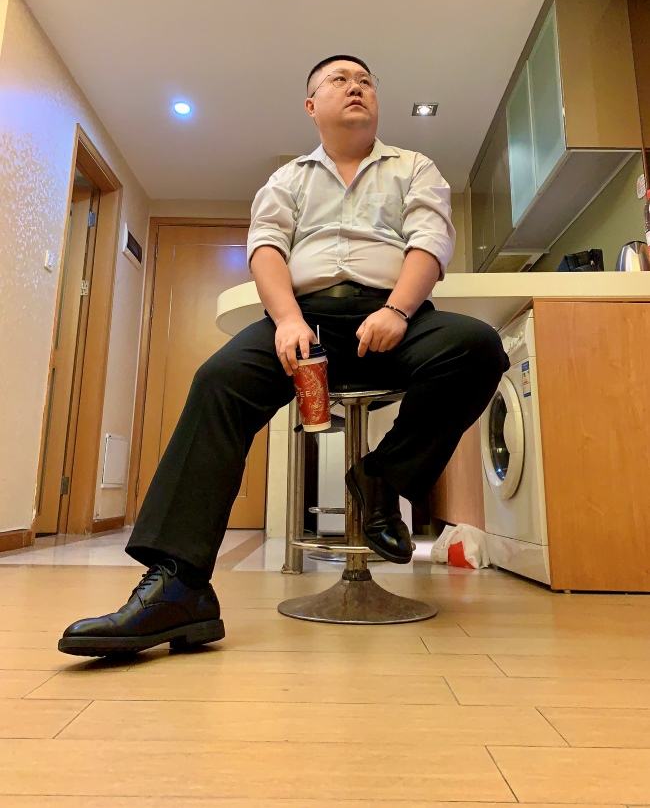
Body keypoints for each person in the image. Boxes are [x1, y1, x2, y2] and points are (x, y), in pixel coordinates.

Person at [59, 54, 508, 657]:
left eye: (366, 81)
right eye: (339, 80)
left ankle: (382, 478)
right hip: (305, 320)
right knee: (219, 379)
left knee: (478, 348)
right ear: (311, 106)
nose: (356, 87)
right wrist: (289, 319)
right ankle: (179, 586)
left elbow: (430, 240)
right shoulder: (289, 179)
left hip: (392, 318)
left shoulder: (413, 167)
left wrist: (399, 310)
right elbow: (267, 246)